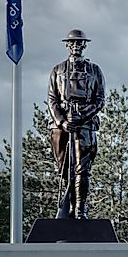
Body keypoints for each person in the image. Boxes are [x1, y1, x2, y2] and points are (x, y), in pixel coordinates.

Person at [47, 29, 106, 219]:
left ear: (84, 45)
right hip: (62, 126)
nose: (76, 46)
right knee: (64, 168)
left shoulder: (95, 70)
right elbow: (51, 99)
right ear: (67, 45)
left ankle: (80, 208)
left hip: (85, 124)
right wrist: (62, 121)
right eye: (73, 43)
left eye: (80, 43)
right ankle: (68, 204)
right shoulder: (57, 70)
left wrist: (82, 116)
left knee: (82, 169)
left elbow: (100, 99)